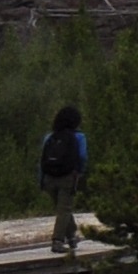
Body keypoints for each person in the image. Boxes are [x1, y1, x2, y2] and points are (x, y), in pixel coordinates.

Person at [39, 104, 89, 258]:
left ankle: (72, 237)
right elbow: (82, 156)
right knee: (64, 209)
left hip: (49, 178)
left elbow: (41, 160)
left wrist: (41, 179)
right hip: (67, 177)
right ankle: (58, 241)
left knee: (62, 209)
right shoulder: (79, 137)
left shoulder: (49, 137)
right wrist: (79, 172)